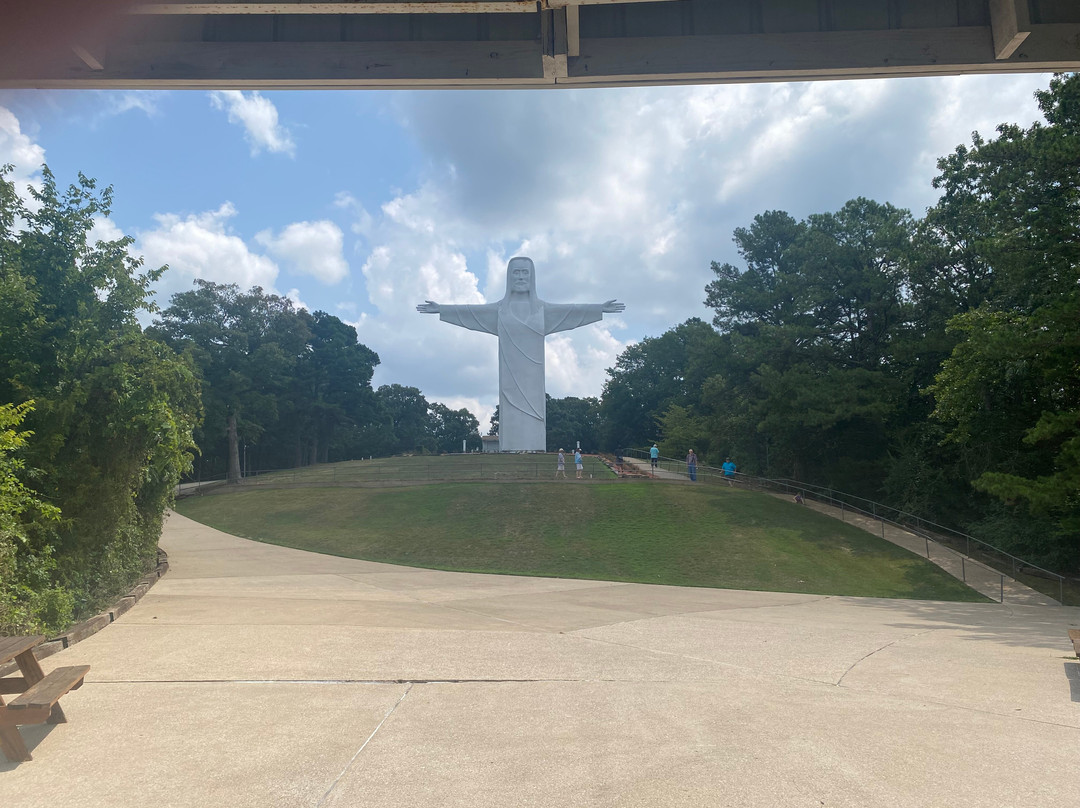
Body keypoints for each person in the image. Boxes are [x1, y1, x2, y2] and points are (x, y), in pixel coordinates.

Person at [417, 258, 624, 451]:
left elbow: (571, 311)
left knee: (535, 411)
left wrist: (599, 309)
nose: (521, 277)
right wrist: (442, 309)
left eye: (525, 272)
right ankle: (510, 447)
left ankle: (534, 445)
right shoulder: (500, 310)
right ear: (509, 277)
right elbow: (471, 312)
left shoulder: (542, 310)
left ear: (532, 277)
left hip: (534, 376)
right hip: (509, 376)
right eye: (516, 273)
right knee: (510, 411)